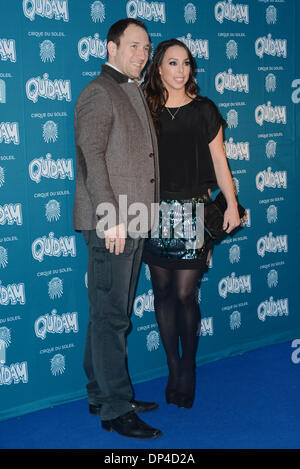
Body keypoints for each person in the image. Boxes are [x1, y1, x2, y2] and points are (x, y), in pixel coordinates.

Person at [73, 19, 162, 439]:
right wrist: (111, 220)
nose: (142, 55)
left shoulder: (131, 90)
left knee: (110, 313)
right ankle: (115, 408)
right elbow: (92, 161)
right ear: (111, 48)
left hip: (135, 220)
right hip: (114, 223)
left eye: (146, 48)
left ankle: (99, 391)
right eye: (133, 46)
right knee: (112, 317)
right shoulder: (99, 91)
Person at [142, 39, 241, 408]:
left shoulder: (205, 110)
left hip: (194, 212)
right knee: (163, 293)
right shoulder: (146, 109)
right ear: (159, 69)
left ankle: (188, 368)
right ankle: (172, 366)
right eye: (172, 63)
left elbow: (220, 162)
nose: (181, 70)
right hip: (153, 213)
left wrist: (231, 203)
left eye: (186, 64)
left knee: (185, 294)